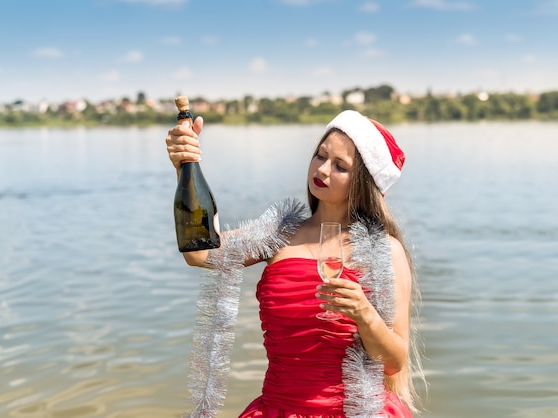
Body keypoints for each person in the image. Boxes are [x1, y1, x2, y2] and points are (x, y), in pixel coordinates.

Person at [165, 110, 425, 417]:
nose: (323, 169)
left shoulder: (385, 250)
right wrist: (186, 168)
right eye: (320, 155)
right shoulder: (279, 235)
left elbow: (394, 362)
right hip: (280, 409)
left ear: (363, 183)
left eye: (340, 166)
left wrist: (364, 314)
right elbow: (199, 253)